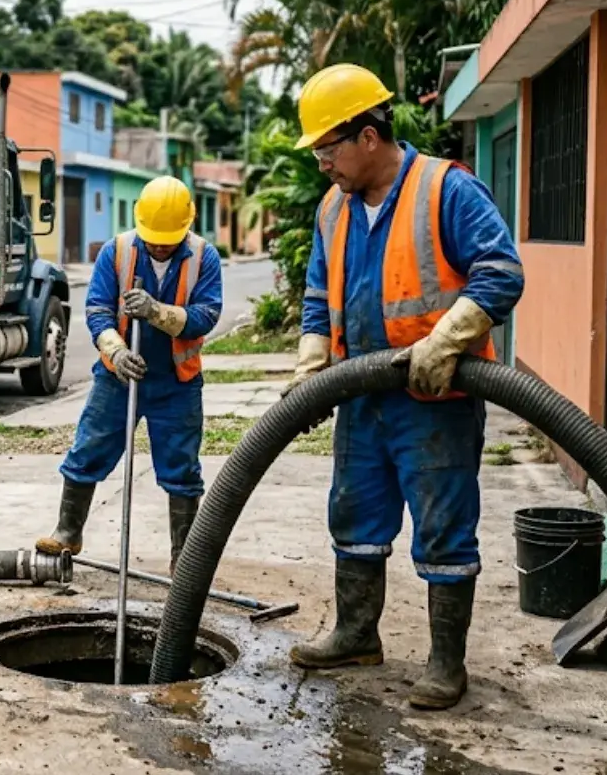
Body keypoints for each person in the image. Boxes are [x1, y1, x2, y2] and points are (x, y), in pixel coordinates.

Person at [281, 64, 524, 710]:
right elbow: (315, 297)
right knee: (354, 517)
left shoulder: (446, 189)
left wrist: (444, 343)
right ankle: (357, 634)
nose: (322, 162)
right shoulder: (332, 209)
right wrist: (311, 368)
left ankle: (447, 664)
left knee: (444, 528)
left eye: (328, 147)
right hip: (361, 400)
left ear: (366, 136)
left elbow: (500, 273)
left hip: (435, 401)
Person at [36, 176, 223, 577]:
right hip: (116, 379)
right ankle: (69, 530)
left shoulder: (203, 258)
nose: (159, 245)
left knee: (182, 467)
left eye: (167, 239)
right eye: (154, 238)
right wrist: (116, 352)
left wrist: (156, 311)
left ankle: (183, 558)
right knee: (88, 449)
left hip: (177, 382)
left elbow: (207, 315)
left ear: (186, 226)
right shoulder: (117, 252)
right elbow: (99, 310)